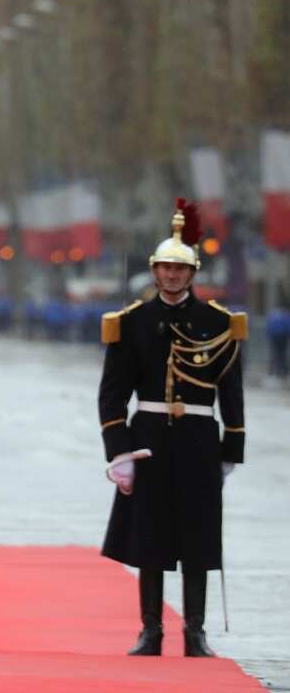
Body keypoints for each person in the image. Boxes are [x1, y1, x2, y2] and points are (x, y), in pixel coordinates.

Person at [98, 198, 246, 657]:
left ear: (192, 272)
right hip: (149, 441)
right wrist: (120, 452)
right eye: (164, 269)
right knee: (150, 537)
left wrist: (230, 450)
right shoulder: (131, 323)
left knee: (198, 537)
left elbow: (232, 393)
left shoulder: (218, 323)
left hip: (199, 440)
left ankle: (195, 633)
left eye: (179, 270)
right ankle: (151, 630)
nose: (171, 277)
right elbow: (112, 394)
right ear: (154, 270)